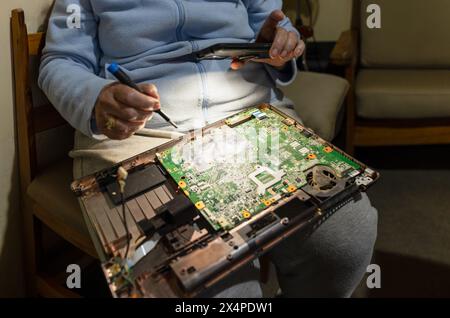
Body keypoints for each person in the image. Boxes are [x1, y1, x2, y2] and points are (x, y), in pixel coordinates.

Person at [39, 0, 377, 297]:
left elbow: (276, 27)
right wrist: (94, 97)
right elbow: (60, 61)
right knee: (213, 289)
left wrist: (279, 44)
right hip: (141, 135)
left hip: (250, 112)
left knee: (348, 237)